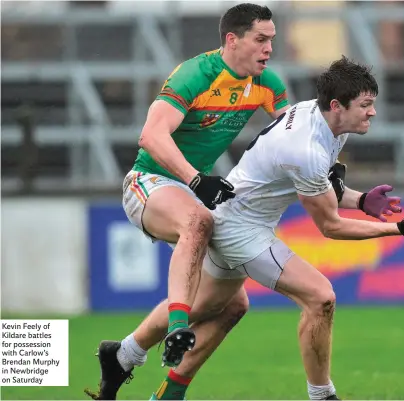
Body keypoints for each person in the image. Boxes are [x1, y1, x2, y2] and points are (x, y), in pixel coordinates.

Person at [85, 3, 290, 400]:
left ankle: (132, 361)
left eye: (272, 41)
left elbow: (292, 135)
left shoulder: (267, 83)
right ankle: (178, 323)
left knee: (233, 305)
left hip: (191, 193)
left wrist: (330, 166)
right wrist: (197, 179)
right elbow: (151, 136)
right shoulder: (195, 74)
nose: (269, 49)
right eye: (260, 39)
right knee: (198, 222)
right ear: (232, 40)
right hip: (147, 183)